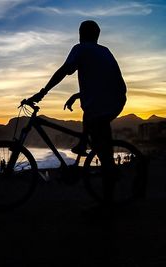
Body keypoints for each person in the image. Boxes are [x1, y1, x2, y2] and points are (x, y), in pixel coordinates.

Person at [28, 20, 127, 204]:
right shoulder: (104, 51)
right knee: (90, 113)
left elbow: (64, 71)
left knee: (104, 153)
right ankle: (83, 144)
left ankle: (107, 204)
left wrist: (42, 92)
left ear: (81, 34)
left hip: (103, 101)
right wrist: (79, 95)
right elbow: (103, 82)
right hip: (116, 99)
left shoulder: (81, 48)